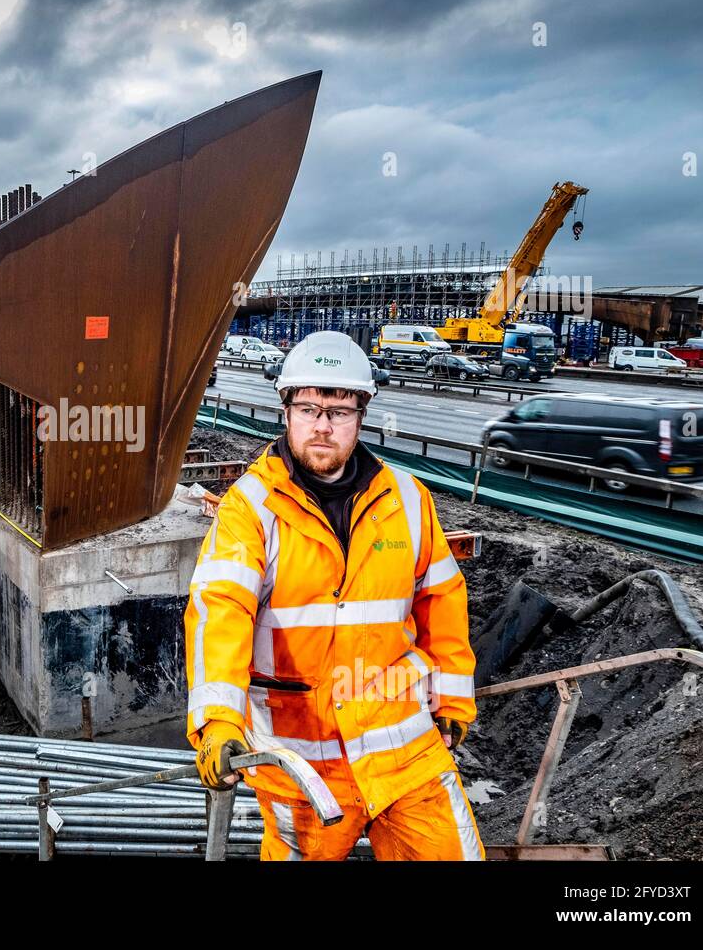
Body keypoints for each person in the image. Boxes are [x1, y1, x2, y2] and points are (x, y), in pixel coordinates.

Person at [185, 330, 483, 860]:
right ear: (286, 410)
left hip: (406, 753)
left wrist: (453, 699)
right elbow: (220, 610)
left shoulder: (408, 500)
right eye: (308, 408)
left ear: (361, 415)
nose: (322, 425)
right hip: (303, 764)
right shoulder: (250, 508)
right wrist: (218, 719)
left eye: (339, 411)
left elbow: (441, 600)